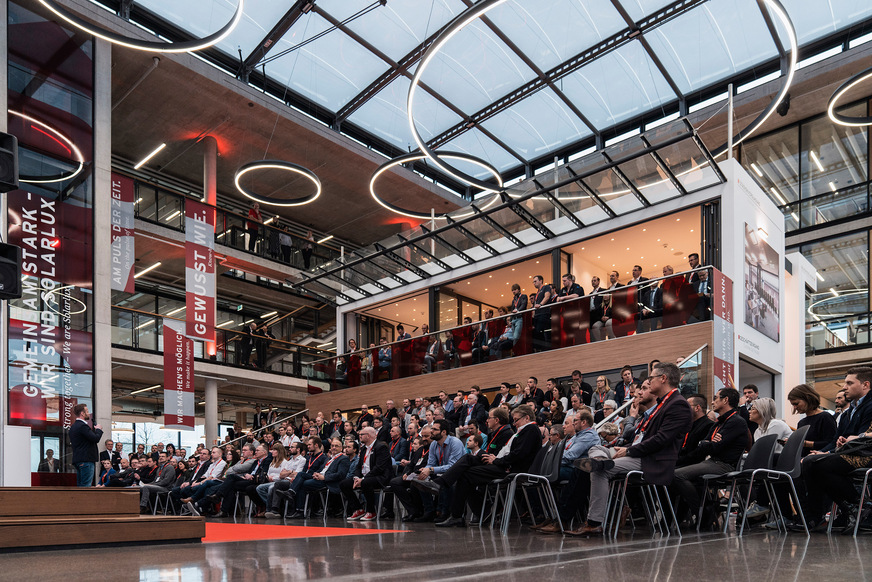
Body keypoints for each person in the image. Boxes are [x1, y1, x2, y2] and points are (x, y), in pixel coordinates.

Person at [572, 362, 692, 535]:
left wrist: (628, 451)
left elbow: (661, 440)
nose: (649, 382)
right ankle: (601, 462)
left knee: (600, 472)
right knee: (597, 448)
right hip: (636, 453)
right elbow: (642, 437)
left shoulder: (677, 404)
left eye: (651, 378)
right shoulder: (662, 404)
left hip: (650, 460)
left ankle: (594, 522)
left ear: (663, 378)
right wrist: (626, 448)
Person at [431, 405, 541, 527]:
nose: (514, 423)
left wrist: (496, 461)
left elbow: (519, 454)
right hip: (502, 464)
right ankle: (467, 512)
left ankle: (462, 510)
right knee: (467, 462)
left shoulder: (530, 429)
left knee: (466, 472)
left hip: (509, 469)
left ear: (526, 417)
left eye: (516, 420)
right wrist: (496, 460)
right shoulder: (521, 431)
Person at [670, 387, 749, 526]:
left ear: (725, 400)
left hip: (724, 465)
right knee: (678, 474)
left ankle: (705, 513)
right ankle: (705, 510)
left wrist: (708, 443)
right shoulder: (720, 422)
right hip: (712, 462)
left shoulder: (736, 421)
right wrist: (708, 443)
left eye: (715, 398)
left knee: (677, 475)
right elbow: (703, 445)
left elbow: (714, 447)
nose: (713, 402)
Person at [341, 427, 392, 521]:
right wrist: (356, 477)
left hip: (379, 477)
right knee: (344, 484)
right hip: (364, 477)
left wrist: (363, 479)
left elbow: (379, 468)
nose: (359, 436)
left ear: (368, 436)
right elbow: (359, 466)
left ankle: (371, 511)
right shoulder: (364, 448)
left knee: (366, 483)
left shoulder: (381, 447)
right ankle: (358, 509)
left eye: (361, 435)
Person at [788, 384, 837, 456]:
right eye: (793, 405)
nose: (795, 407)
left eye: (796, 403)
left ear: (808, 399)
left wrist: (806, 443)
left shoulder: (825, 417)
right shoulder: (801, 422)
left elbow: (831, 443)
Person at [70, 404, 103, 487]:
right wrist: (98, 430)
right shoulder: (82, 426)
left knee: (81, 486)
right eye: (87, 412)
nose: (89, 413)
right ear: (82, 413)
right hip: (86, 460)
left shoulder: (74, 426)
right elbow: (95, 438)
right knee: (86, 487)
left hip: (79, 459)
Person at [531, 275, 554, 352]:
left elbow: (547, 297)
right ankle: (540, 349)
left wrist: (540, 305)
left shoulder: (546, 287)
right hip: (537, 315)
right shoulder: (537, 292)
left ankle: (544, 349)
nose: (534, 283)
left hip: (543, 313)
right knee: (536, 332)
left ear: (540, 281)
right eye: (533, 282)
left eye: (535, 281)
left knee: (540, 331)